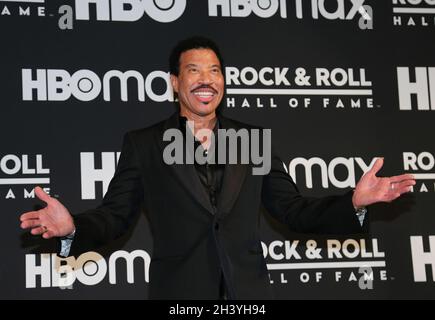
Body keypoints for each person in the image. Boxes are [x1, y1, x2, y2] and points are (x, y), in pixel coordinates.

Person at [20, 37, 415, 299]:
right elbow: (115, 216)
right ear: (175, 82)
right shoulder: (145, 145)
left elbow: (292, 210)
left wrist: (354, 203)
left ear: (224, 81)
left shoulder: (252, 140)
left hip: (249, 296)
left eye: (214, 71)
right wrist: (74, 228)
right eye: (193, 70)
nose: (205, 80)